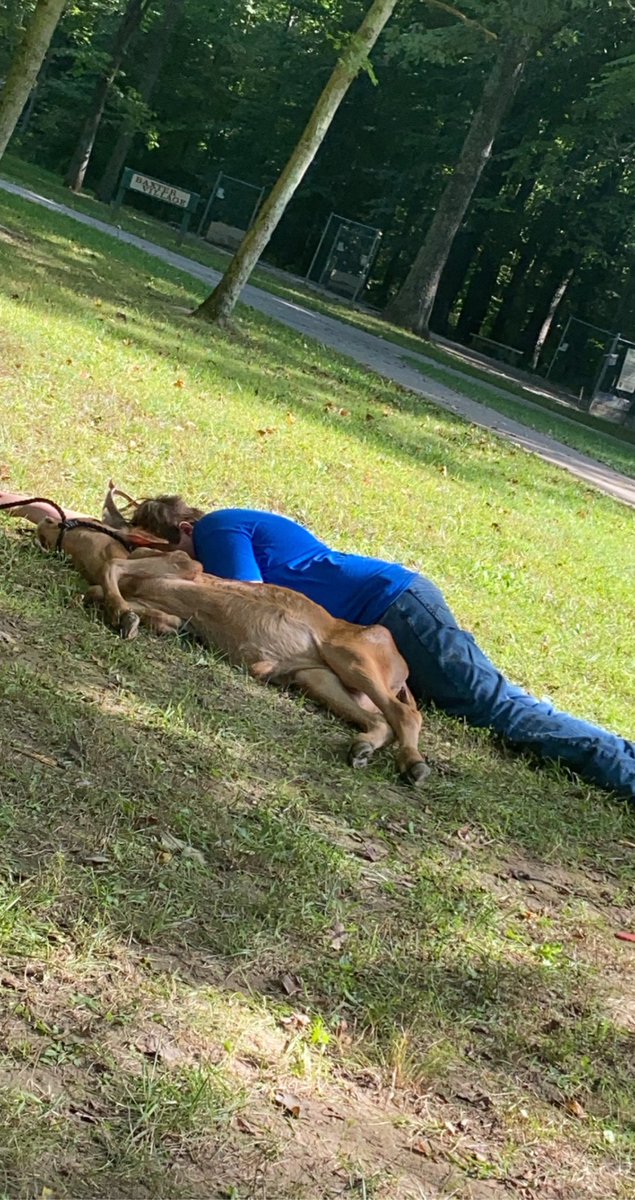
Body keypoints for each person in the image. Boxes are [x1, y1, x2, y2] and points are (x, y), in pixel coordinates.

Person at [2, 489, 634, 799]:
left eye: (165, 546)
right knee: (483, 711)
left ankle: (624, 770)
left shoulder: (218, 529)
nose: (171, 558)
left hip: (393, 606)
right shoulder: (230, 526)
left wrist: (156, 579)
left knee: (501, 708)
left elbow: (242, 595)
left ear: (181, 532)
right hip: (379, 619)